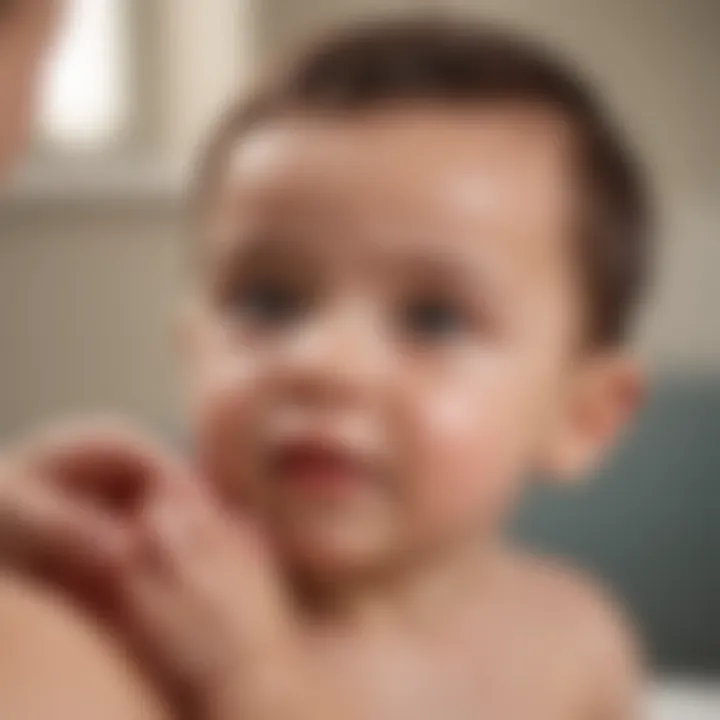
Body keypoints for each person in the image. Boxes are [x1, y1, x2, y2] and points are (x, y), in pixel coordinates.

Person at [0, 17, 650, 720]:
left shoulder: (573, 645)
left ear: (584, 416)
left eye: (433, 319)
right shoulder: (152, 625)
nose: (321, 364)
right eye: (268, 301)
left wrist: (255, 684)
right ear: (191, 347)